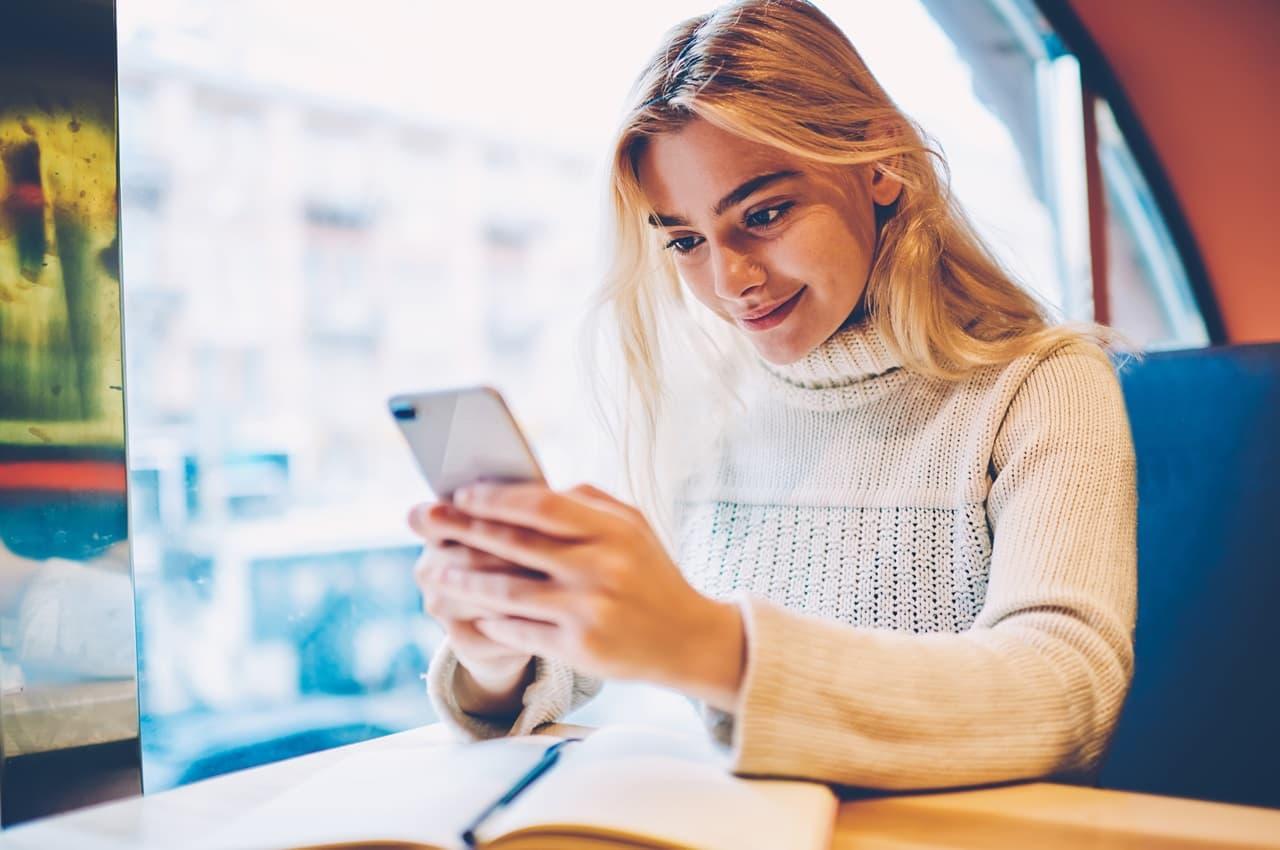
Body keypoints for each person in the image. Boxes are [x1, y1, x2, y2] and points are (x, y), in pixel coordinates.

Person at [406, 0, 1136, 790]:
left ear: (881, 164)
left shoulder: (1043, 385)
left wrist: (707, 645)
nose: (730, 281)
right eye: (686, 241)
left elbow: (1066, 692)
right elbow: (577, 659)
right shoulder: (704, 406)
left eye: (764, 214)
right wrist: (499, 653)